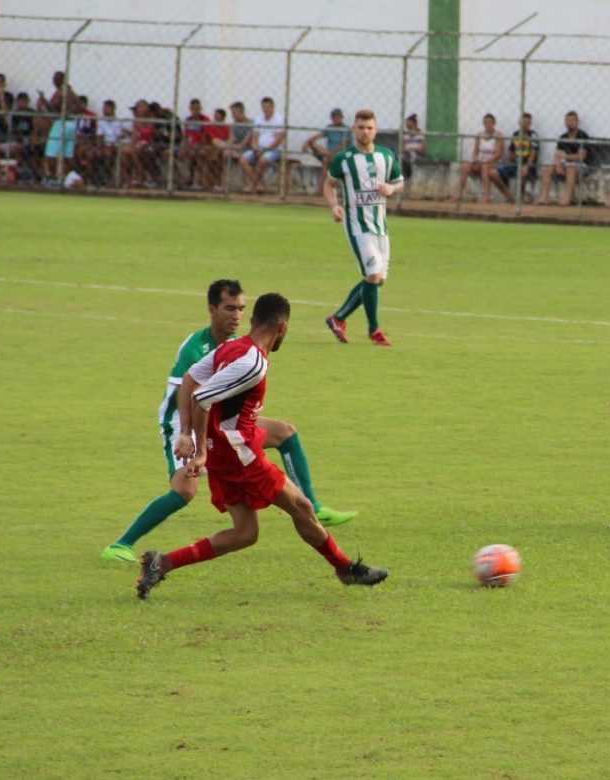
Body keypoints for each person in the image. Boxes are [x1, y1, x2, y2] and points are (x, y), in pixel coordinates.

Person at [135, 292, 387, 599]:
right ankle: (345, 569)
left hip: (224, 453)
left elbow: (189, 379)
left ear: (253, 320)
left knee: (245, 533)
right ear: (283, 327)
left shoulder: (231, 346)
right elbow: (201, 397)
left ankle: (163, 562)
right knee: (302, 507)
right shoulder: (252, 363)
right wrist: (198, 450)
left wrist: (187, 433)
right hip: (239, 455)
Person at [103, 279, 357, 564]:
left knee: (284, 433)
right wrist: (189, 438)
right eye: (229, 308)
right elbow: (189, 395)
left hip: (223, 421)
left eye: (240, 309)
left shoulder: (236, 344)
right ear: (212, 309)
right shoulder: (197, 348)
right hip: (182, 419)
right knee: (185, 490)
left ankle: (313, 505)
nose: (235, 315)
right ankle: (121, 544)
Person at [323, 109, 404, 347]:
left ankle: (338, 318)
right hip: (357, 226)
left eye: (369, 127)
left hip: (380, 226)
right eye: (361, 127)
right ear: (353, 129)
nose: (365, 131)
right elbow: (328, 185)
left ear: (375, 130)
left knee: (377, 282)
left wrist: (391, 189)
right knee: (373, 275)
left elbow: (400, 181)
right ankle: (374, 330)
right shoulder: (344, 159)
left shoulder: (386, 156)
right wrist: (334, 206)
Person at [451, 113, 509, 203]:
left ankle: (486, 196)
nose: (488, 125)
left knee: (485, 167)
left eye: (490, 122)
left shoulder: (498, 135)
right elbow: (476, 151)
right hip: (480, 160)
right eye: (486, 122)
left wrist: (486, 161)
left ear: (494, 123)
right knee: (465, 167)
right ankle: (458, 194)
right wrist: (475, 160)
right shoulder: (479, 135)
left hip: (493, 162)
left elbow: (498, 153)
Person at [537, 110, 590, 206]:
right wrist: (557, 165)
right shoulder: (563, 137)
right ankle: (544, 197)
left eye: (572, 120)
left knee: (571, 168)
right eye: (568, 121)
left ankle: (567, 198)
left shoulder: (583, 136)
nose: (570, 123)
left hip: (581, 165)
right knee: (548, 169)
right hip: (565, 163)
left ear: (577, 122)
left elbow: (581, 156)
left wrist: (565, 156)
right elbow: (557, 154)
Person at [240, 96, 285, 194]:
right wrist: (255, 148)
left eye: (267, 107)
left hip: (274, 150)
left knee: (263, 160)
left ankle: (253, 185)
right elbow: (255, 136)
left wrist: (265, 150)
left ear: (273, 107)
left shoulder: (279, 119)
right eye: (263, 107)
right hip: (259, 149)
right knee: (243, 159)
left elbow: (279, 139)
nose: (265, 110)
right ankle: (258, 184)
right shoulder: (259, 119)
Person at [490, 112, 539, 200]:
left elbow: (533, 152)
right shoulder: (516, 134)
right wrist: (507, 163)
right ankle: (508, 195)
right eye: (523, 122)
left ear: (530, 124)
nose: (525, 125)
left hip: (528, 165)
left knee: (524, 171)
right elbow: (511, 151)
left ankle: (520, 197)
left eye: (527, 122)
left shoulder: (533, 135)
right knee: (493, 173)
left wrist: (527, 166)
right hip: (515, 164)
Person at [302, 107, 350, 187]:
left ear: (342, 118)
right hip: (327, 153)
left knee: (325, 160)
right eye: (334, 117)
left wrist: (332, 154)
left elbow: (342, 145)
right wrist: (306, 144)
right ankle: (327, 155)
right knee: (312, 144)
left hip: (339, 154)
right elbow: (316, 136)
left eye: (338, 117)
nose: (336, 119)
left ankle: (323, 186)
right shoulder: (330, 127)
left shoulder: (346, 129)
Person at [401, 113, 426, 179]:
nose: (408, 128)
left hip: (418, 159)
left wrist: (409, 148)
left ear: (415, 125)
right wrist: (414, 148)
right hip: (408, 160)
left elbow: (421, 150)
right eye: (407, 126)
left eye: (410, 126)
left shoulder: (421, 135)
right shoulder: (406, 136)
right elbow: (403, 148)